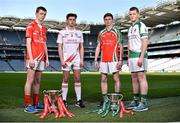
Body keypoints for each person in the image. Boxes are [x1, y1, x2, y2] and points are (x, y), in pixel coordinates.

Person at [94, 13, 123, 106]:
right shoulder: (101, 33)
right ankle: (105, 100)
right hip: (103, 59)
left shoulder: (117, 31)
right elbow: (98, 46)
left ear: (112, 20)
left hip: (114, 59)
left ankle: (117, 100)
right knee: (103, 78)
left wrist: (121, 59)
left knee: (116, 78)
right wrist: (95, 60)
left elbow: (121, 46)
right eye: (106, 19)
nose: (107, 21)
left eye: (109, 19)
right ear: (104, 21)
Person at [24, 6, 49, 113]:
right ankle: (27, 105)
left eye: (44, 14)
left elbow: (44, 44)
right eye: (41, 13)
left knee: (38, 81)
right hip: (33, 58)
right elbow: (28, 43)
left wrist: (47, 58)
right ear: (36, 13)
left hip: (42, 58)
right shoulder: (30, 26)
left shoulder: (44, 29)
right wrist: (30, 59)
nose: (42, 16)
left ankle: (36, 103)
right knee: (30, 80)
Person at [57, 13, 85, 108]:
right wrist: (61, 60)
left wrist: (81, 59)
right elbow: (60, 47)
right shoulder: (62, 33)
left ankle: (79, 100)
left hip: (76, 58)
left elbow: (81, 47)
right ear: (67, 20)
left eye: (73, 20)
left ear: (75, 21)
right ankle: (64, 100)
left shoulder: (79, 33)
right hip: (66, 59)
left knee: (77, 78)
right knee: (65, 79)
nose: (72, 21)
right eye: (70, 19)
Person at [127, 7, 149, 112]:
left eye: (134, 14)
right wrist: (128, 57)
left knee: (141, 77)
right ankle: (135, 100)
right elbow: (129, 44)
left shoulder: (141, 25)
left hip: (139, 55)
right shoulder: (130, 28)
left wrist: (141, 56)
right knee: (134, 78)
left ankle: (143, 102)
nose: (132, 16)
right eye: (130, 14)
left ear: (138, 14)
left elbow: (145, 41)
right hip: (132, 56)